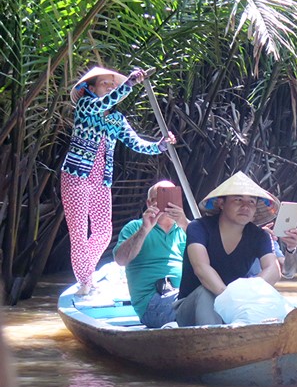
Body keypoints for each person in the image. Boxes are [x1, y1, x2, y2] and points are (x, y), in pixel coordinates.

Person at [62, 66, 176, 296]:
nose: (111, 88)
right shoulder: (86, 106)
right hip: (76, 176)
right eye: (106, 84)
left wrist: (161, 145)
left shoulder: (116, 119)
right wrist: (129, 85)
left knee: (103, 232)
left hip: (101, 181)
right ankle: (85, 282)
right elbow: (103, 104)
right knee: (79, 234)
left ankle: (86, 275)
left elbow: (137, 143)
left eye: (113, 85)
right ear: (90, 88)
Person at [173, 171, 282, 326]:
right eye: (238, 200)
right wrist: (229, 298)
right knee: (206, 293)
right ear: (221, 204)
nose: (245, 206)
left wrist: (248, 293)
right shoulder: (198, 228)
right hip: (191, 307)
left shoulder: (260, 236)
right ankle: (215, 346)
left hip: (235, 305)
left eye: (251, 202)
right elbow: (201, 268)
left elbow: (273, 270)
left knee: (269, 297)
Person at [113, 180, 188, 328]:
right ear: (149, 203)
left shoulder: (188, 228)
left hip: (184, 295)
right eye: (159, 199)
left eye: (170, 199)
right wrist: (145, 229)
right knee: (197, 305)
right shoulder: (134, 227)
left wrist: (185, 224)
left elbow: (212, 262)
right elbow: (120, 260)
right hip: (152, 303)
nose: (166, 205)